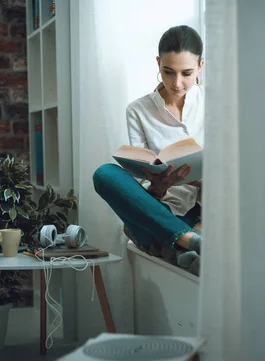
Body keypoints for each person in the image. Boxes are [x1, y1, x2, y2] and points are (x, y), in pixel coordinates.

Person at [93, 25, 205, 272]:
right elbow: (146, 191)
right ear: (158, 64)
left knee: (137, 229)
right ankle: (189, 242)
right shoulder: (138, 110)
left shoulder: (217, 104)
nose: (177, 83)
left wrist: (199, 180)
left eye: (187, 73)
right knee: (104, 175)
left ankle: (181, 245)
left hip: (206, 208)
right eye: (168, 71)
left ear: (200, 67)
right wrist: (162, 184)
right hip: (165, 209)